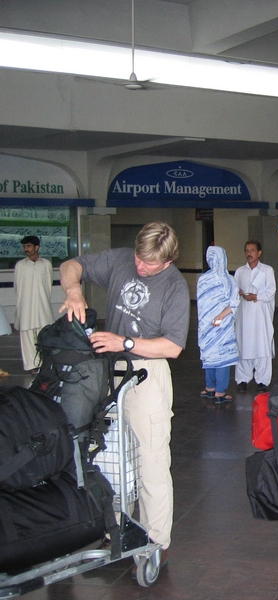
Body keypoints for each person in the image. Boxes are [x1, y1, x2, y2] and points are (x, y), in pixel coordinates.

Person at [59, 222, 190, 569]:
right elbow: (72, 266)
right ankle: (115, 525)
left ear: (168, 260)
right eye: (139, 258)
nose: (141, 267)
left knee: (151, 459)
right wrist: (73, 289)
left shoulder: (175, 285)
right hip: (109, 370)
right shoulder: (121, 260)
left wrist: (125, 343)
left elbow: (173, 346)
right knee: (109, 453)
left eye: (150, 264)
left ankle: (154, 539)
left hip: (147, 373)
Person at [197, 246, 239, 404]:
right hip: (222, 326)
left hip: (206, 327)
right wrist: (220, 316)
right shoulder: (228, 279)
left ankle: (209, 388)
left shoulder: (203, 279)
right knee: (223, 358)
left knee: (209, 355)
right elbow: (234, 304)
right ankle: (220, 392)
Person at [234, 241, 276, 392]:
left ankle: (262, 380)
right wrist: (238, 293)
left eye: (252, 250)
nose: (249, 253)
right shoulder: (240, 272)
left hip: (261, 315)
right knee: (244, 345)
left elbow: (271, 290)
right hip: (244, 315)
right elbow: (234, 291)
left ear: (259, 253)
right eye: (247, 250)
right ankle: (243, 379)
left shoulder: (267, 270)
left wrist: (256, 296)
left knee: (262, 345)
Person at [14, 235, 55, 372]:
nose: (26, 249)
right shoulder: (20, 266)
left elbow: (48, 286)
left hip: (42, 306)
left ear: (36, 247)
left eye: (29, 246)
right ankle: (32, 366)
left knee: (44, 335)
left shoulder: (46, 264)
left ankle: (45, 364)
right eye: (25, 246)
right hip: (25, 306)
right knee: (27, 336)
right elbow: (17, 287)